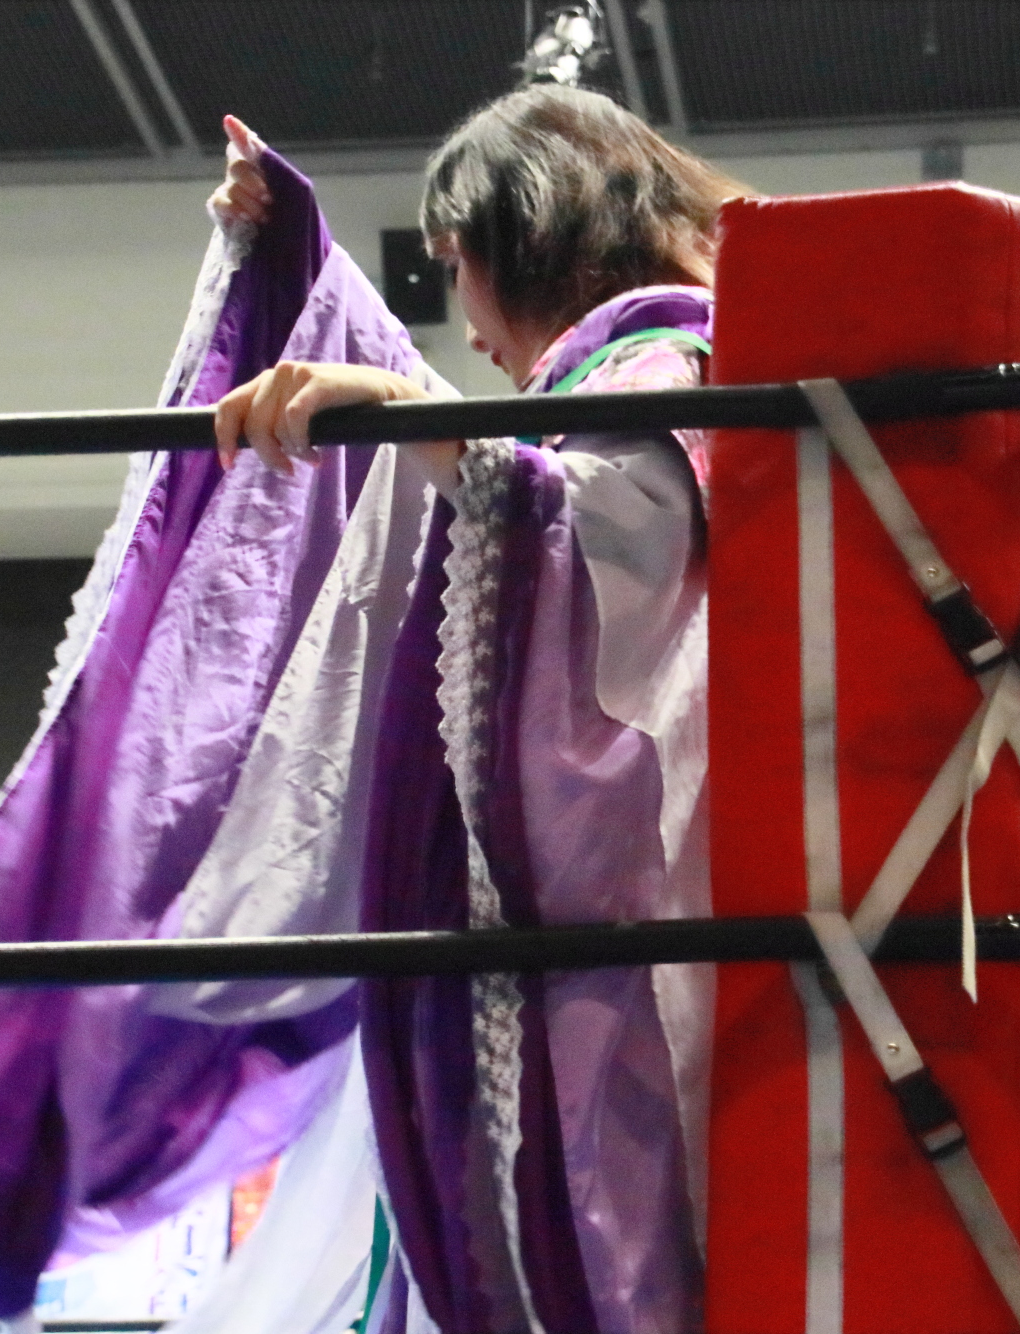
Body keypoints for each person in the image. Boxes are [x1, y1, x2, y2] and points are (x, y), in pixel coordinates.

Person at [209, 87, 744, 1334]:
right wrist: (286, 255)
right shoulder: (615, 373)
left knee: (582, 1235)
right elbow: (488, 468)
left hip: (616, 926)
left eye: (456, 265)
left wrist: (414, 417)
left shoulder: (661, 360)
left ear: (528, 239)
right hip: (601, 923)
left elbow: (608, 540)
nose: (464, 320)